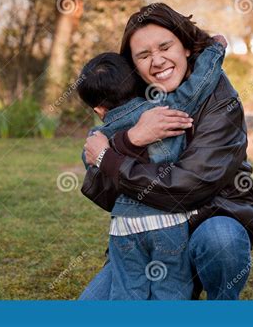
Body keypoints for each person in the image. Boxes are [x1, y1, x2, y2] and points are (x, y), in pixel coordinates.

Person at [80, 3, 253, 300]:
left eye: (165, 46)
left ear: (187, 47)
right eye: (143, 55)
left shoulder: (220, 98)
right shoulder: (132, 98)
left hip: (208, 221)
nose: (157, 61)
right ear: (133, 65)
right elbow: (101, 191)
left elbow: (188, 186)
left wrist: (109, 158)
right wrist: (131, 140)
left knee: (221, 240)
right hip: (150, 236)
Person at [77, 37, 226, 299]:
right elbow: (201, 83)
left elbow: (91, 160)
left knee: (126, 293)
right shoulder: (168, 109)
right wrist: (215, 49)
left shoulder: (98, 135)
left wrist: (111, 147)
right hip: (167, 222)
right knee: (169, 291)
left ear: (99, 109)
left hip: (123, 227)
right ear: (137, 83)